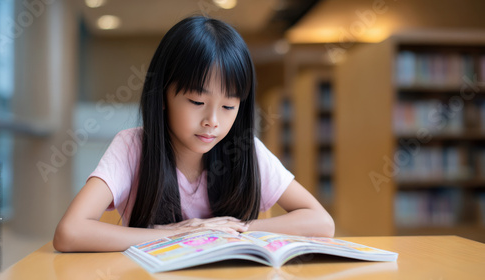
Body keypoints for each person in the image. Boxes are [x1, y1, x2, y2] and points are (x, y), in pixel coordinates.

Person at [53, 16, 334, 252]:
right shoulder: (132, 147)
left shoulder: (246, 149)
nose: (212, 121)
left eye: (228, 106)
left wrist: (226, 230)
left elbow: (321, 222)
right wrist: (179, 234)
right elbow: (70, 232)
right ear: (162, 94)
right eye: (197, 103)